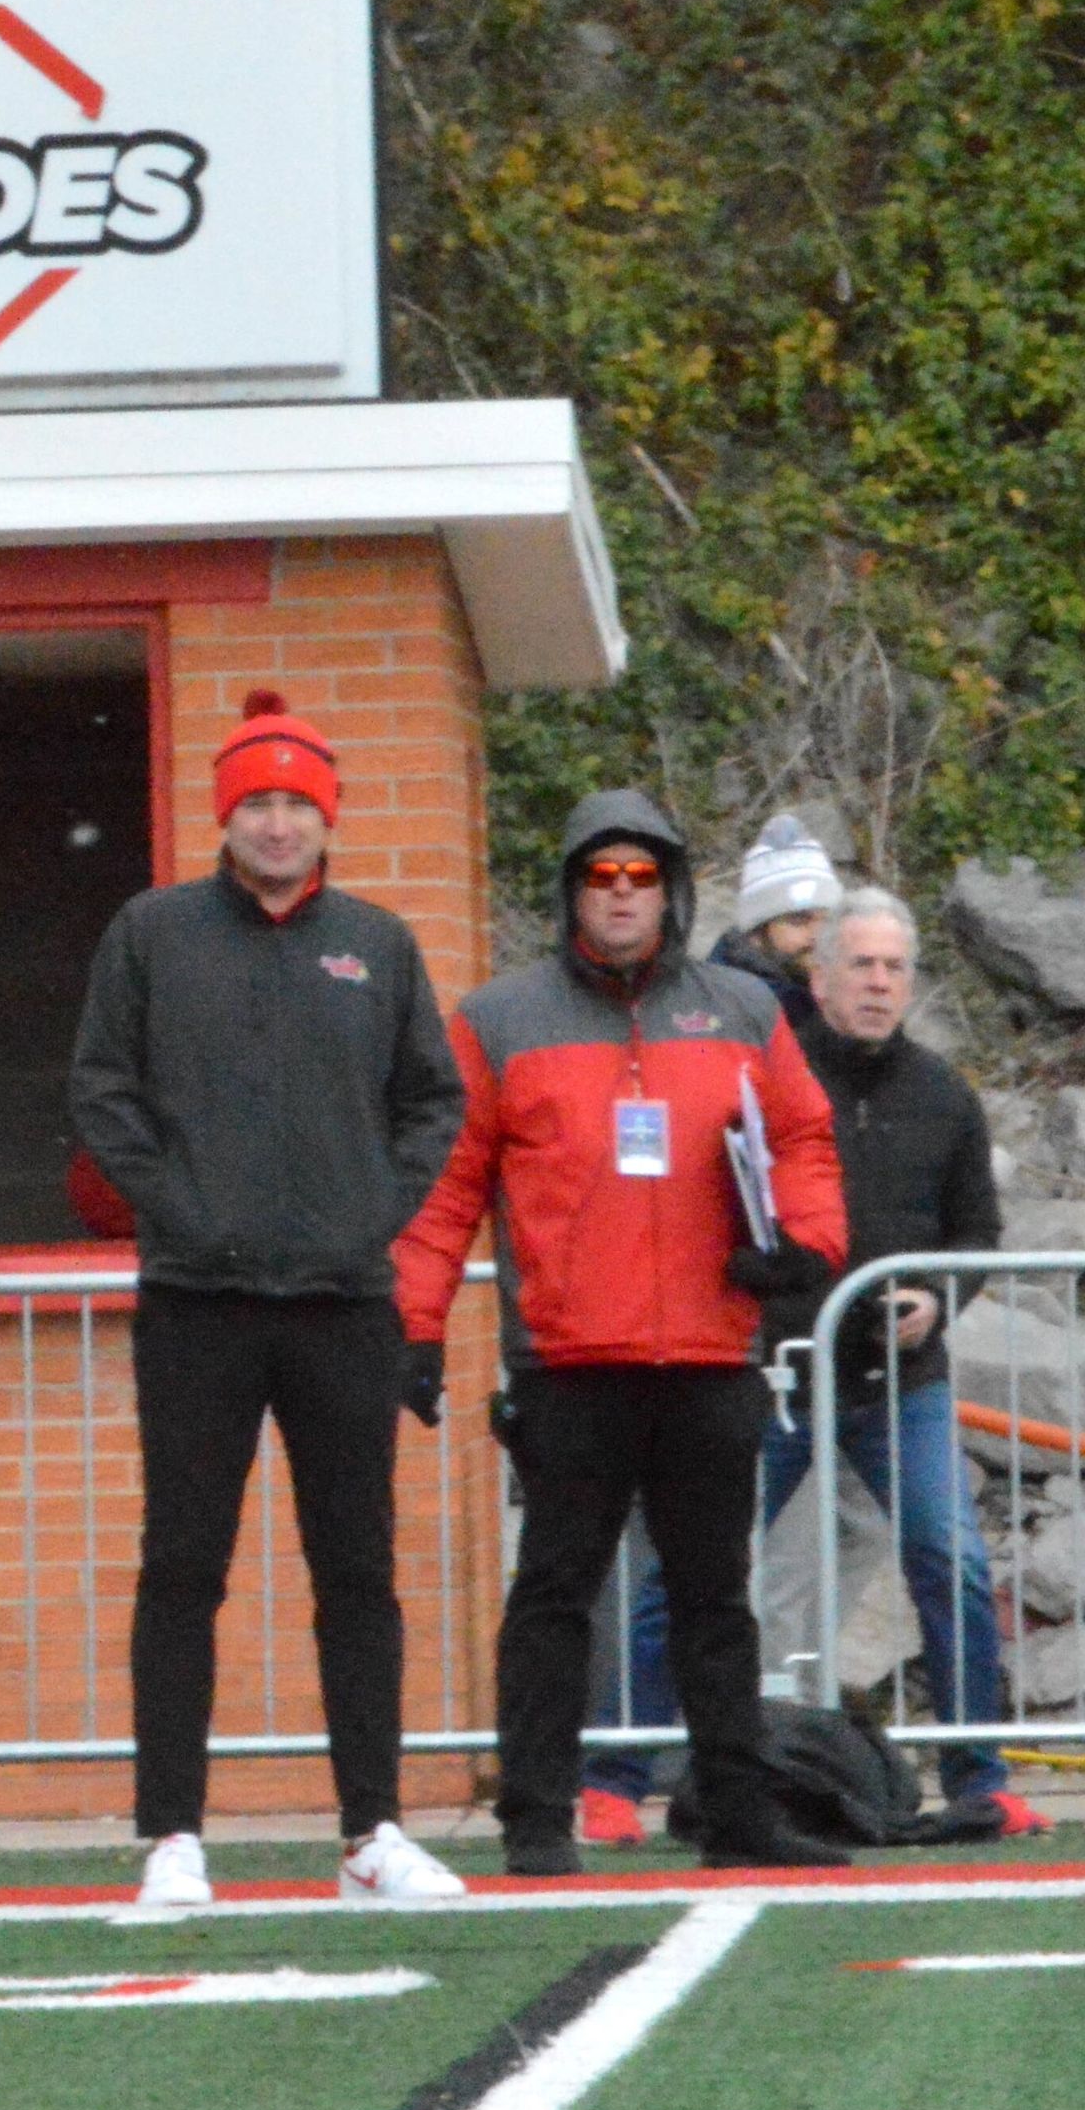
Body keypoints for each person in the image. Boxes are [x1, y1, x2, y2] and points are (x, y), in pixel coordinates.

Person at [394, 795, 854, 1875]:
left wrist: (807, 1248)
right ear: (569, 892)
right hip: (567, 1365)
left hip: (709, 1355)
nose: (620, 893)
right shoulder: (500, 1019)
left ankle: (738, 1818)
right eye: (600, 875)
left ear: (672, 891)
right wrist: (413, 1324)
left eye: (640, 876)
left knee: (712, 1605)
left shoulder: (744, 1009)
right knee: (556, 1599)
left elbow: (804, 1141)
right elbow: (445, 1188)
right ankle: (539, 1822)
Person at [69, 691, 472, 1909]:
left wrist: (371, 1214)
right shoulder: (152, 933)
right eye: (258, 802)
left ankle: (371, 1834)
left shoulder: (380, 946)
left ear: (327, 815)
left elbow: (434, 1103)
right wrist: (178, 1209)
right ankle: (174, 1837)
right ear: (226, 816)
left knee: (358, 1572)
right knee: (182, 1566)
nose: (279, 822)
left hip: (346, 1303)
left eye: (299, 801)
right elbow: (102, 1092)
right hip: (199, 1302)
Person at [583, 888, 1043, 1841]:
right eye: (862, 965)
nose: (880, 983)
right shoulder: (762, 1079)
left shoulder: (945, 1095)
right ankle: (618, 1782)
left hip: (897, 1383)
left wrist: (938, 1300)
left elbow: (978, 1231)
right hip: (773, 1374)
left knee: (949, 1560)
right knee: (686, 1562)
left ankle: (980, 1776)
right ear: (820, 976)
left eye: (896, 968)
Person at [714, 811, 838, 1035]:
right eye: (799, 920)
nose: (819, 935)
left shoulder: (830, 1002)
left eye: (828, 919)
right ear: (756, 934)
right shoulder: (722, 1014)